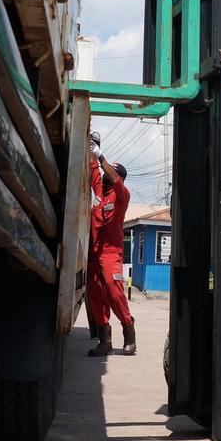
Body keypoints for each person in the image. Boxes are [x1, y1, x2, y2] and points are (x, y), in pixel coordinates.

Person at [87, 150, 135, 357]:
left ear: (119, 177)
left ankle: (129, 330)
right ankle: (104, 341)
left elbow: (112, 176)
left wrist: (101, 156)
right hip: (94, 252)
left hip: (111, 252)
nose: (106, 173)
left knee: (114, 291)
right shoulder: (100, 190)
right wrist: (91, 151)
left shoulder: (122, 194)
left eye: (112, 171)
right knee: (96, 295)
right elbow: (93, 171)